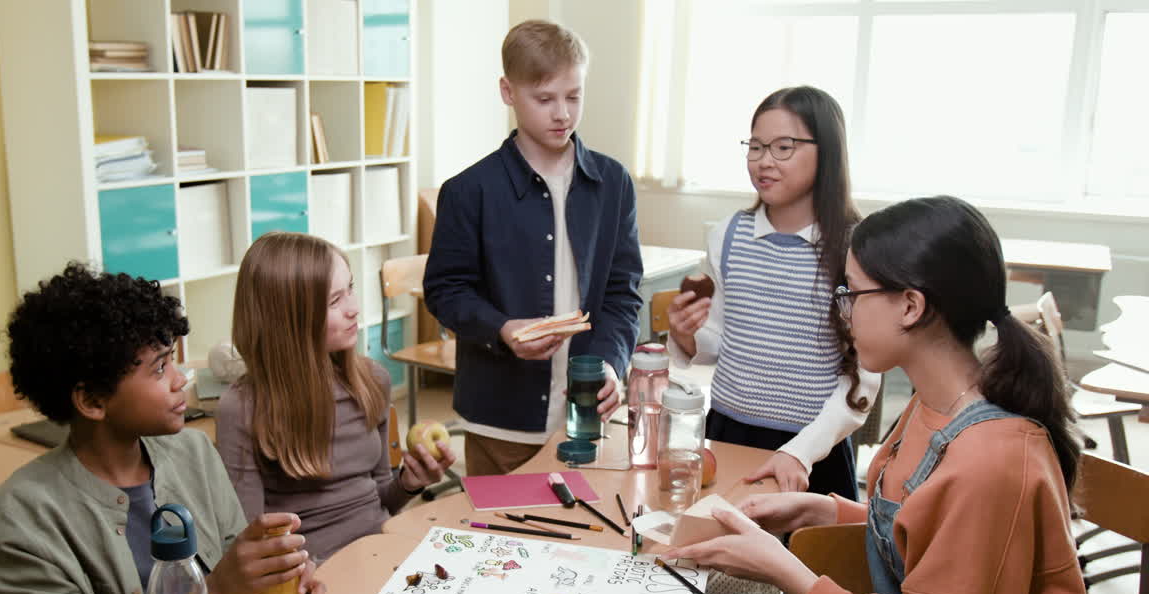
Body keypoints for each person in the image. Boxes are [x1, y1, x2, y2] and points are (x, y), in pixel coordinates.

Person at [669, 196, 1105, 594]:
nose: (842, 309)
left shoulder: (994, 463)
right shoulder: (937, 401)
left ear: (911, 306)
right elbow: (935, 543)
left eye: (851, 293)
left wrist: (790, 573)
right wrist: (828, 512)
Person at [0, 263, 326, 594]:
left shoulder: (193, 451)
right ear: (93, 401)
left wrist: (281, 580)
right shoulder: (18, 518)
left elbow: (240, 587)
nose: (182, 380)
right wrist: (215, 593)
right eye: (160, 369)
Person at [423, 19, 643, 477]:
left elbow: (623, 294)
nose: (562, 113)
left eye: (573, 95)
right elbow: (445, 292)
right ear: (508, 91)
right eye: (544, 99)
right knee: (498, 544)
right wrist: (503, 329)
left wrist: (610, 363)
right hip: (500, 421)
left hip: (586, 417)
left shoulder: (613, 182)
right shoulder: (468, 191)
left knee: (584, 540)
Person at [667, 86, 880, 498]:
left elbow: (863, 382)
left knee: (802, 561)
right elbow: (719, 344)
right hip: (728, 436)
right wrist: (684, 333)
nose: (764, 161)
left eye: (783, 147)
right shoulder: (729, 234)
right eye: (756, 147)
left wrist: (802, 452)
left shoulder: (855, 249)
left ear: (827, 152)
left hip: (812, 451)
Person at [216, 232, 456, 565]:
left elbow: (380, 497)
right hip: (309, 578)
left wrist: (409, 483)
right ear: (289, 320)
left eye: (351, 289)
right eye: (334, 301)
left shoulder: (372, 380)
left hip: (381, 552)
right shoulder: (241, 409)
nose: (354, 308)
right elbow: (250, 545)